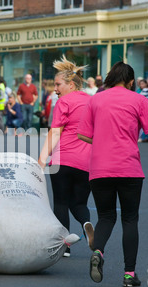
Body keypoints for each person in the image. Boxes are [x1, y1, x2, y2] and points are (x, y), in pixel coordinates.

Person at [77, 61, 148, 287]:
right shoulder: (139, 100)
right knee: (130, 218)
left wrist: (103, 139)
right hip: (128, 168)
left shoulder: (95, 100)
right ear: (131, 81)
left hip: (100, 170)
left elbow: (83, 135)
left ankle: (99, 252)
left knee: (105, 216)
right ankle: (129, 274)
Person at [38, 55, 94, 257]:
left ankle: (64, 247)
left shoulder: (64, 102)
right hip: (87, 162)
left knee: (61, 203)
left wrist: (41, 158)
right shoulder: (92, 101)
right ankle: (86, 223)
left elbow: (55, 132)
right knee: (79, 203)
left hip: (63, 161)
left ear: (71, 84)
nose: (55, 89)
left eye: (58, 84)